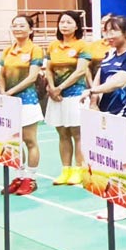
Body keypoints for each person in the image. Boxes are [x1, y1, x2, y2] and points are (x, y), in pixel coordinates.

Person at [83, 16, 126, 220]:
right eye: (106, 31)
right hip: (106, 115)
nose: (108, 36)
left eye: (113, 31)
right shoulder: (108, 56)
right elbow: (100, 79)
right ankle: (117, 200)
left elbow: (119, 82)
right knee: (111, 161)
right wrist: (93, 101)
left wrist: (94, 88)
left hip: (124, 114)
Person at [0, 15, 44, 196]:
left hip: (27, 101)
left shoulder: (35, 49)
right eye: (14, 25)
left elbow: (32, 77)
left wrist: (10, 93)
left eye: (22, 25)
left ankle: (30, 179)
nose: (17, 28)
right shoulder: (7, 50)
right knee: (14, 143)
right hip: (8, 102)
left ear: (30, 30)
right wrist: (3, 92)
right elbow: (1, 74)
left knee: (29, 140)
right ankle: (18, 176)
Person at [45, 11, 91, 186]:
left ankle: (80, 170)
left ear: (77, 26)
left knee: (77, 134)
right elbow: (48, 68)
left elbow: (80, 71)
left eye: (68, 22)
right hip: (56, 97)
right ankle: (66, 170)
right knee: (62, 133)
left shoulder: (82, 46)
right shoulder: (53, 46)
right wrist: (52, 88)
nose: (64, 25)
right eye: (62, 22)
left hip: (75, 95)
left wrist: (60, 88)